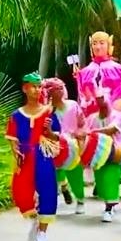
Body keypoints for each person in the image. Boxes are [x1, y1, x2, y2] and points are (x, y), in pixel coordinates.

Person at [6, 72, 61, 241]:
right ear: (25, 88)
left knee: (48, 191)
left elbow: (57, 137)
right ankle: (36, 219)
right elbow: (12, 140)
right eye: (33, 86)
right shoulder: (16, 115)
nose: (36, 90)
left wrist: (49, 131)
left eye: (39, 87)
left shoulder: (48, 112)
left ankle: (43, 234)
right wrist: (16, 152)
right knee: (21, 192)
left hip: (43, 154)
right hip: (25, 155)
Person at [42, 77, 86, 214]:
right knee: (56, 172)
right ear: (50, 92)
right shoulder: (47, 111)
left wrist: (81, 135)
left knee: (76, 173)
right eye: (57, 89)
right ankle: (64, 186)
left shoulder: (73, 105)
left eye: (62, 87)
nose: (61, 91)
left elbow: (82, 123)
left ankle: (80, 200)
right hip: (55, 145)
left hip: (73, 144)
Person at [85, 89, 121, 222]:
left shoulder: (117, 115)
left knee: (110, 178)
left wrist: (93, 132)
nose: (101, 100)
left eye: (103, 97)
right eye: (98, 98)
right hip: (97, 154)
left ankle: (109, 208)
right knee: (101, 181)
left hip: (114, 152)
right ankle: (109, 202)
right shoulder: (92, 118)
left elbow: (112, 129)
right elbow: (84, 131)